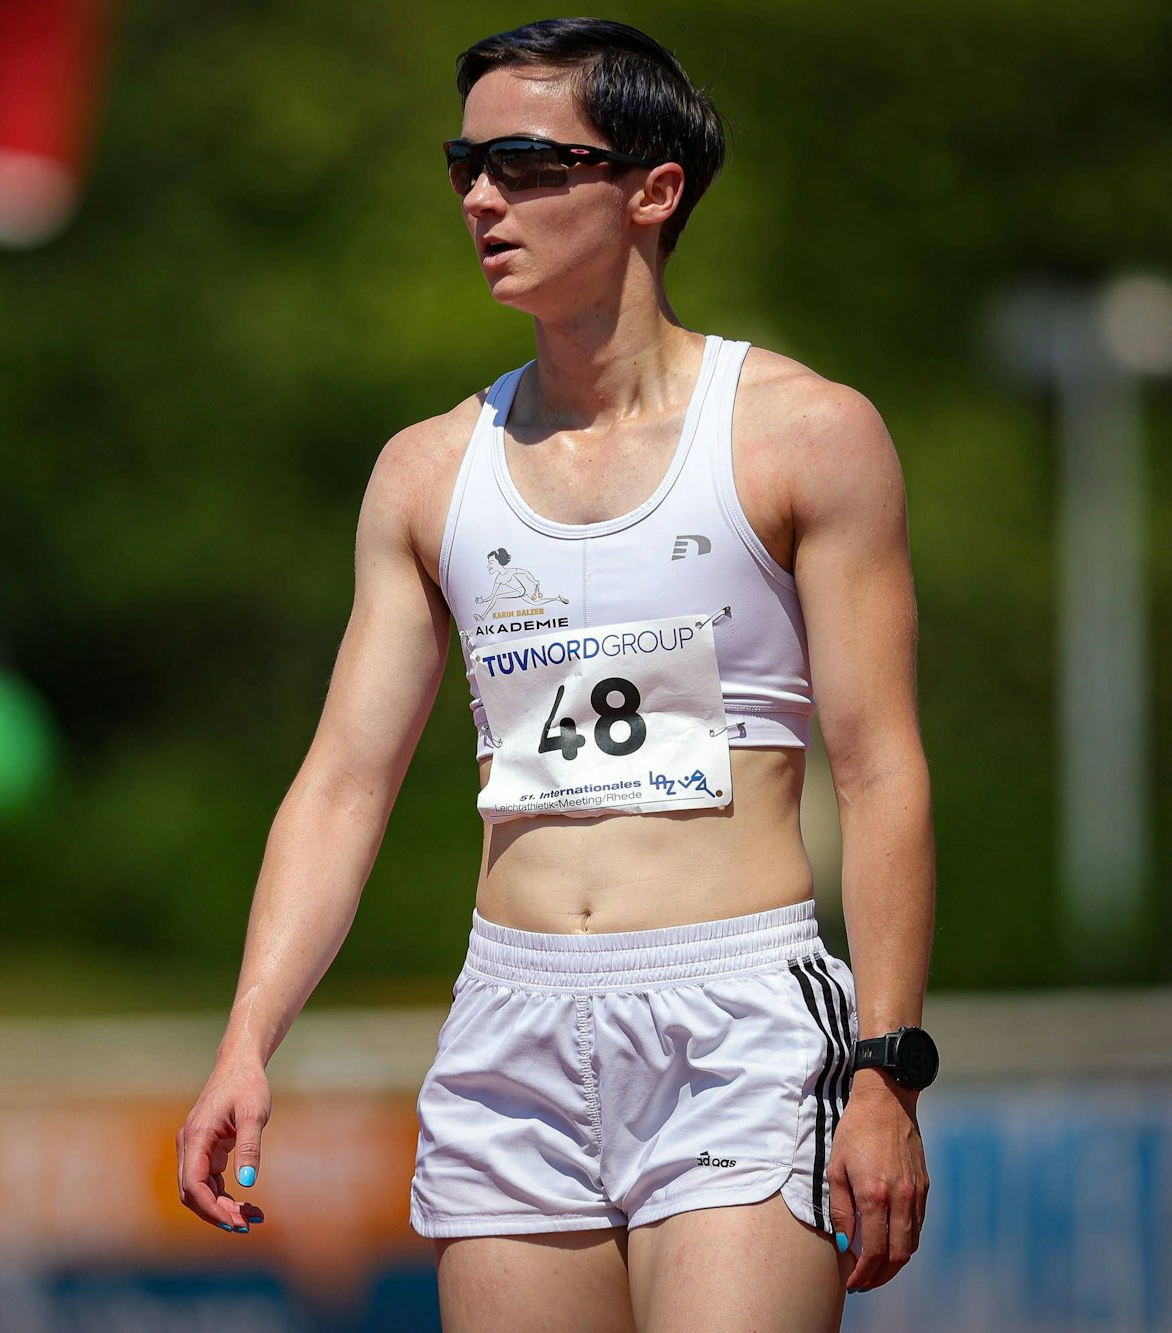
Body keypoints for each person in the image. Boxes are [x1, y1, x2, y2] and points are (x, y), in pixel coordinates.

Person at [176, 17, 934, 1330]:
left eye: (526, 162)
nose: (480, 196)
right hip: (513, 1032)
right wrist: (247, 1036)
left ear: (654, 190)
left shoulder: (806, 436)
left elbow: (879, 772)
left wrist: (887, 1067)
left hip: (737, 1027)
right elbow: (344, 785)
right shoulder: (426, 471)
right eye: (466, 162)